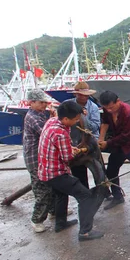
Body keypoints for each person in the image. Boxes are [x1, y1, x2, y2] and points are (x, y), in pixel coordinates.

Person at [37, 101, 105, 240]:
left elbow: (59, 148)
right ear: (66, 119)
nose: (76, 123)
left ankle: (60, 223)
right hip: (56, 173)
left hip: (44, 171)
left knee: (61, 194)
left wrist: (69, 148)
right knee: (86, 196)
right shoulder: (61, 133)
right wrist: (79, 150)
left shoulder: (51, 121)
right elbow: (67, 158)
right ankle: (85, 232)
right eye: (75, 120)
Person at [98, 90, 130, 215]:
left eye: (111, 107)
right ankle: (117, 197)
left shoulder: (128, 112)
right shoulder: (107, 110)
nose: (109, 110)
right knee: (111, 170)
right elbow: (105, 123)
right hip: (118, 145)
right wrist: (101, 139)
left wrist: (107, 143)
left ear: (118, 101)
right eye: (106, 108)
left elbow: (126, 135)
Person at [23, 89, 57, 233]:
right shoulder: (33, 117)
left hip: (43, 156)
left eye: (45, 102)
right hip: (35, 158)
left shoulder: (40, 114)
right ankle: (37, 219)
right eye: (41, 102)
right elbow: (47, 133)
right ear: (31, 103)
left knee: (51, 183)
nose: (44, 105)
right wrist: (54, 118)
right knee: (42, 189)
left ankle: (53, 210)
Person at [64, 81, 100, 188]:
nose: (83, 97)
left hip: (90, 141)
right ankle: (84, 193)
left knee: (98, 169)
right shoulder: (67, 105)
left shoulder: (93, 107)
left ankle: (103, 190)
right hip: (74, 141)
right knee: (78, 170)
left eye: (86, 95)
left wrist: (84, 118)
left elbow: (95, 126)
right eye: (80, 95)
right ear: (75, 94)